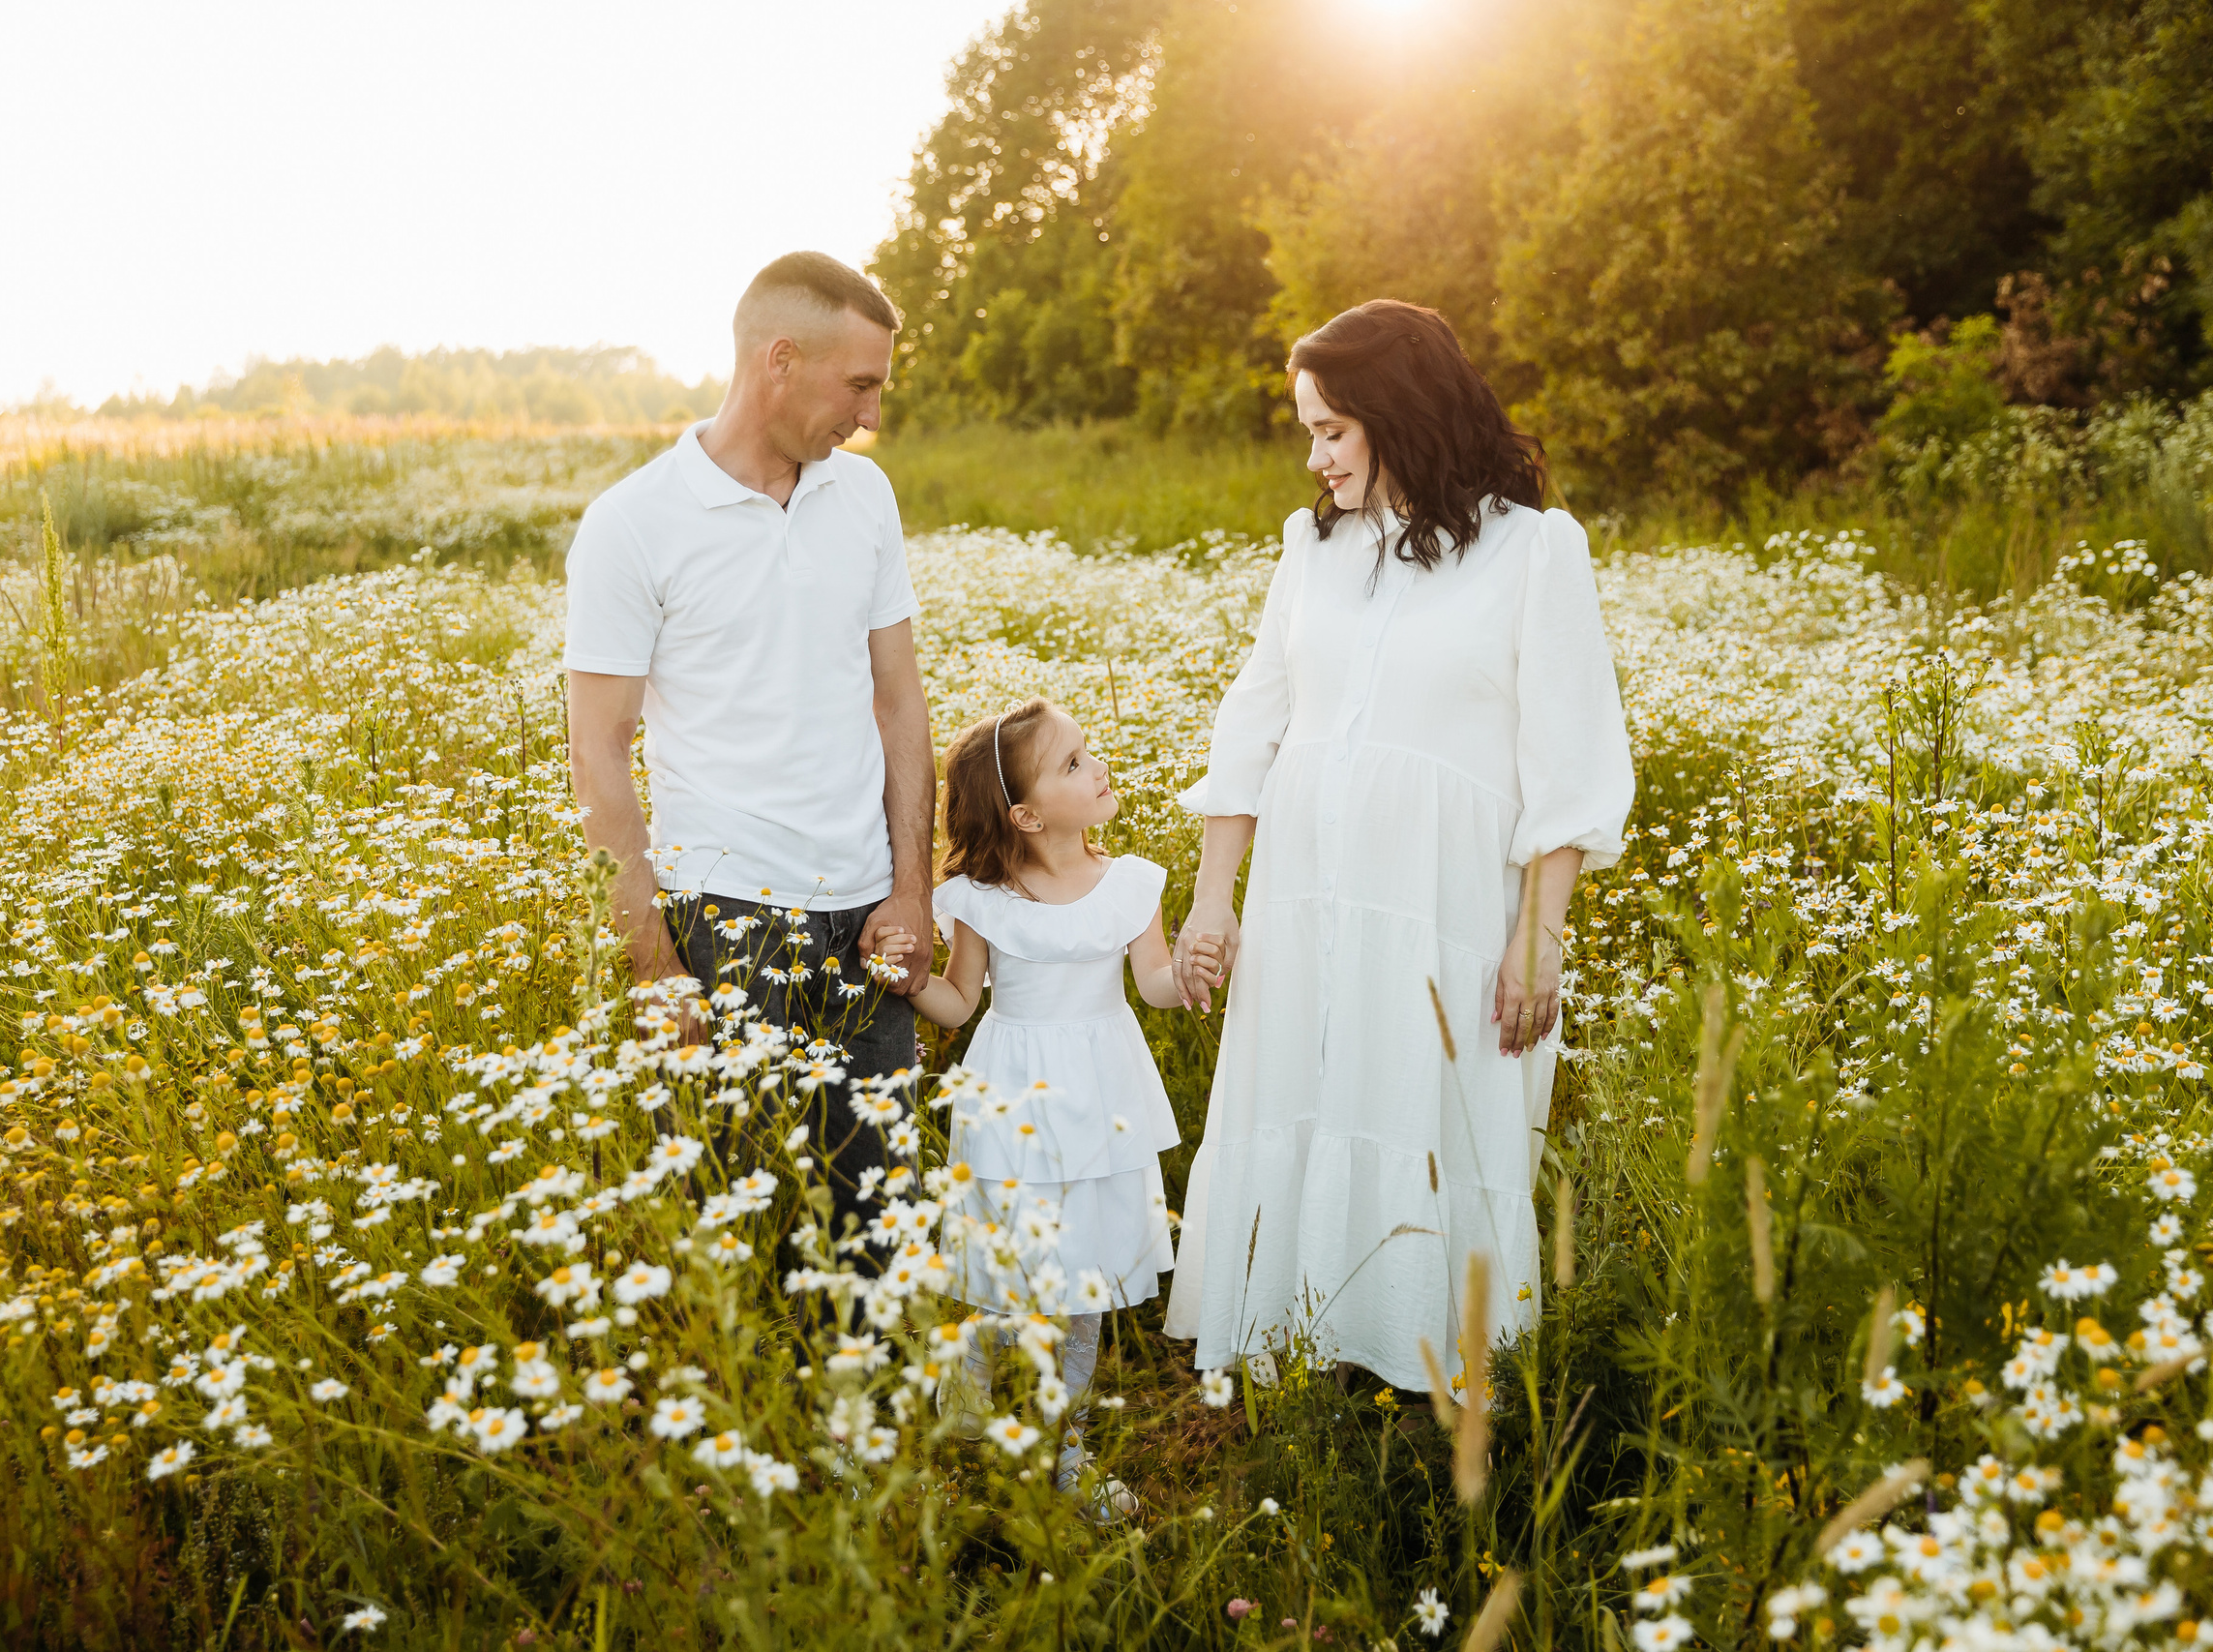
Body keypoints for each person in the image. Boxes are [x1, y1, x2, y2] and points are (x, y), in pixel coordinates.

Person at [1164, 299, 1635, 1397]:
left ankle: (1424, 1397)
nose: (1315, 457)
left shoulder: (1533, 551)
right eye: (1308, 433)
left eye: (1332, 430)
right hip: (1303, 903)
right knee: (1308, 1106)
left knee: (1427, 1123)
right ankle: (1301, 1377)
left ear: (1398, 413)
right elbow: (1254, 724)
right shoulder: (1310, 548)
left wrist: (1540, 937)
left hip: (1446, 906)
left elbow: (1569, 764)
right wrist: (1212, 899)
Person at [564, 251, 935, 1255]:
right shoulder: (632, 525)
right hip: (725, 930)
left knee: (879, 1237)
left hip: (868, 922)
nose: (867, 414)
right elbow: (596, 754)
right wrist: (654, 966)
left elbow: (899, 704)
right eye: (858, 384)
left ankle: (872, 1413)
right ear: (779, 359)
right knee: (738, 1242)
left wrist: (912, 892)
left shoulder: (864, 500)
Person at [870, 699, 1216, 1518]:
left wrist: (1196, 971)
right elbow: (961, 1001)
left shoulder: (1131, 884)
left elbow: (1157, 987)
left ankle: (1067, 1446)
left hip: (1102, 1099)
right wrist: (911, 981)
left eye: (1086, 754)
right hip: (1009, 1096)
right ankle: (968, 1396)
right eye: (1072, 764)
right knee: (1006, 1276)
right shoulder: (982, 899)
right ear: (1024, 815)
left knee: (1087, 1280)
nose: (1096, 767)